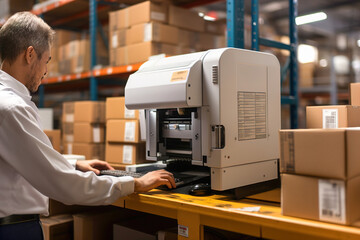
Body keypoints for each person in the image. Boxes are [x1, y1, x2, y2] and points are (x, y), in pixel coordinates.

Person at [0, 12, 176, 240]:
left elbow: (21, 160)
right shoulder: (12, 108)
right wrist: (134, 183)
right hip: (14, 230)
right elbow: (63, 185)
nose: (45, 72)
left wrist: (73, 163)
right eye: (47, 61)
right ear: (30, 54)